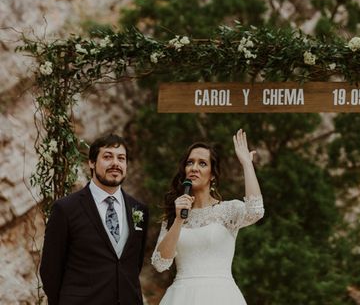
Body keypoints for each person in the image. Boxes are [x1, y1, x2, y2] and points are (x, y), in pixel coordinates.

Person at [151, 129, 264, 304]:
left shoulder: (228, 210)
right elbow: (160, 263)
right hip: (181, 298)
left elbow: (256, 210)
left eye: (202, 163)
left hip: (221, 296)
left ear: (212, 175)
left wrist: (247, 165)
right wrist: (179, 220)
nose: (194, 168)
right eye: (190, 163)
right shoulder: (174, 215)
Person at [39, 134, 149, 305]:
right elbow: (50, 270)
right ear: (91, 162)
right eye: (107, 157)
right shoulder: (66, 209)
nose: (115, 163)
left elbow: (134, 265)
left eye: (121, 158)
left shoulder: (139, 209)